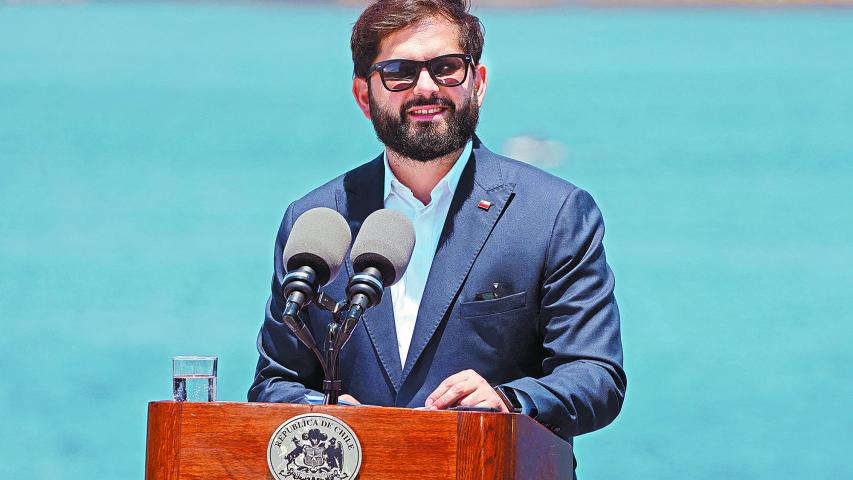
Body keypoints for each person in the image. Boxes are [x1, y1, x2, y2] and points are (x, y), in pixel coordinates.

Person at [249, 0, 626, 468]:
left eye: (447, 68)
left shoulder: (554, 215)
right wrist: (318, 414)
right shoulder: (314, 220)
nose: (426, 88)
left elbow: (596, 377)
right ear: (364, 97)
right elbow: (275, 381)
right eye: (399, 72)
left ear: (479, 83)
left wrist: (507, 402)